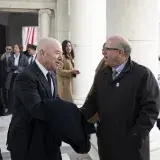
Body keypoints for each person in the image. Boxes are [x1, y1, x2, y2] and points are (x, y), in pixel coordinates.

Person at [7, 37, 90, 160]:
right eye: (57, 53)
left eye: (61, 53)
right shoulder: (26, 76)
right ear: (42, 53)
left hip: (49, 140)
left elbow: (54, 101)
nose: (61, 57)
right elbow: (37, 109)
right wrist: (70, 111)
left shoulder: (51, 73)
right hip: (28, 142)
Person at [80, 36, 160, 160]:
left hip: (131, 146)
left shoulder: (143, 75)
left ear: (120, 53)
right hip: (106, 143)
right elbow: (92, 102)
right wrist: (77, 118)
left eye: (107, 49)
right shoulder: (102, 74)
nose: (103, 52)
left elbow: (150, 110)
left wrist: (136, 137)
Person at [6, 44, 28, 114]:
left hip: (20, 76)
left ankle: (20, 109)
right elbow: (7, 68)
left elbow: (27, 68)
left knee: (20, 92)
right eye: (14, 47)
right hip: (12, 76)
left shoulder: (24, 57)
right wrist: (12, 68)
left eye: (16, 47)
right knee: (11, 93)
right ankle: (10, 110)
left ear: (20, 49)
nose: (15, 49)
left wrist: (18, 68)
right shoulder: (10, 57)